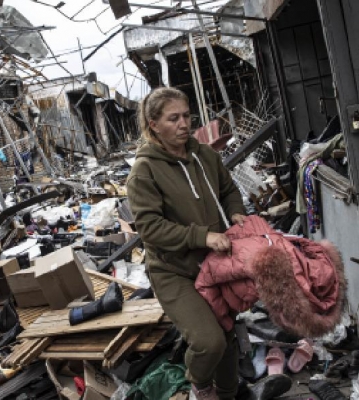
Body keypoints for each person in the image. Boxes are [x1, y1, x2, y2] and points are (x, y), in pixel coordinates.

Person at [126, 87, 246, 400]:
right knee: (209, 342)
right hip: (173, 270)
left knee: (228, 337)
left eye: (186, 115)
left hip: (216, 265)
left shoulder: (204, 155)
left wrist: (236, 214)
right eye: (173, 118)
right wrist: (201, 236)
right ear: (154, 124)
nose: (184, 124)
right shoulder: (144, 171)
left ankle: (228, 394)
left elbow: (228, 189)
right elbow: (150, 228)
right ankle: (199, 387)